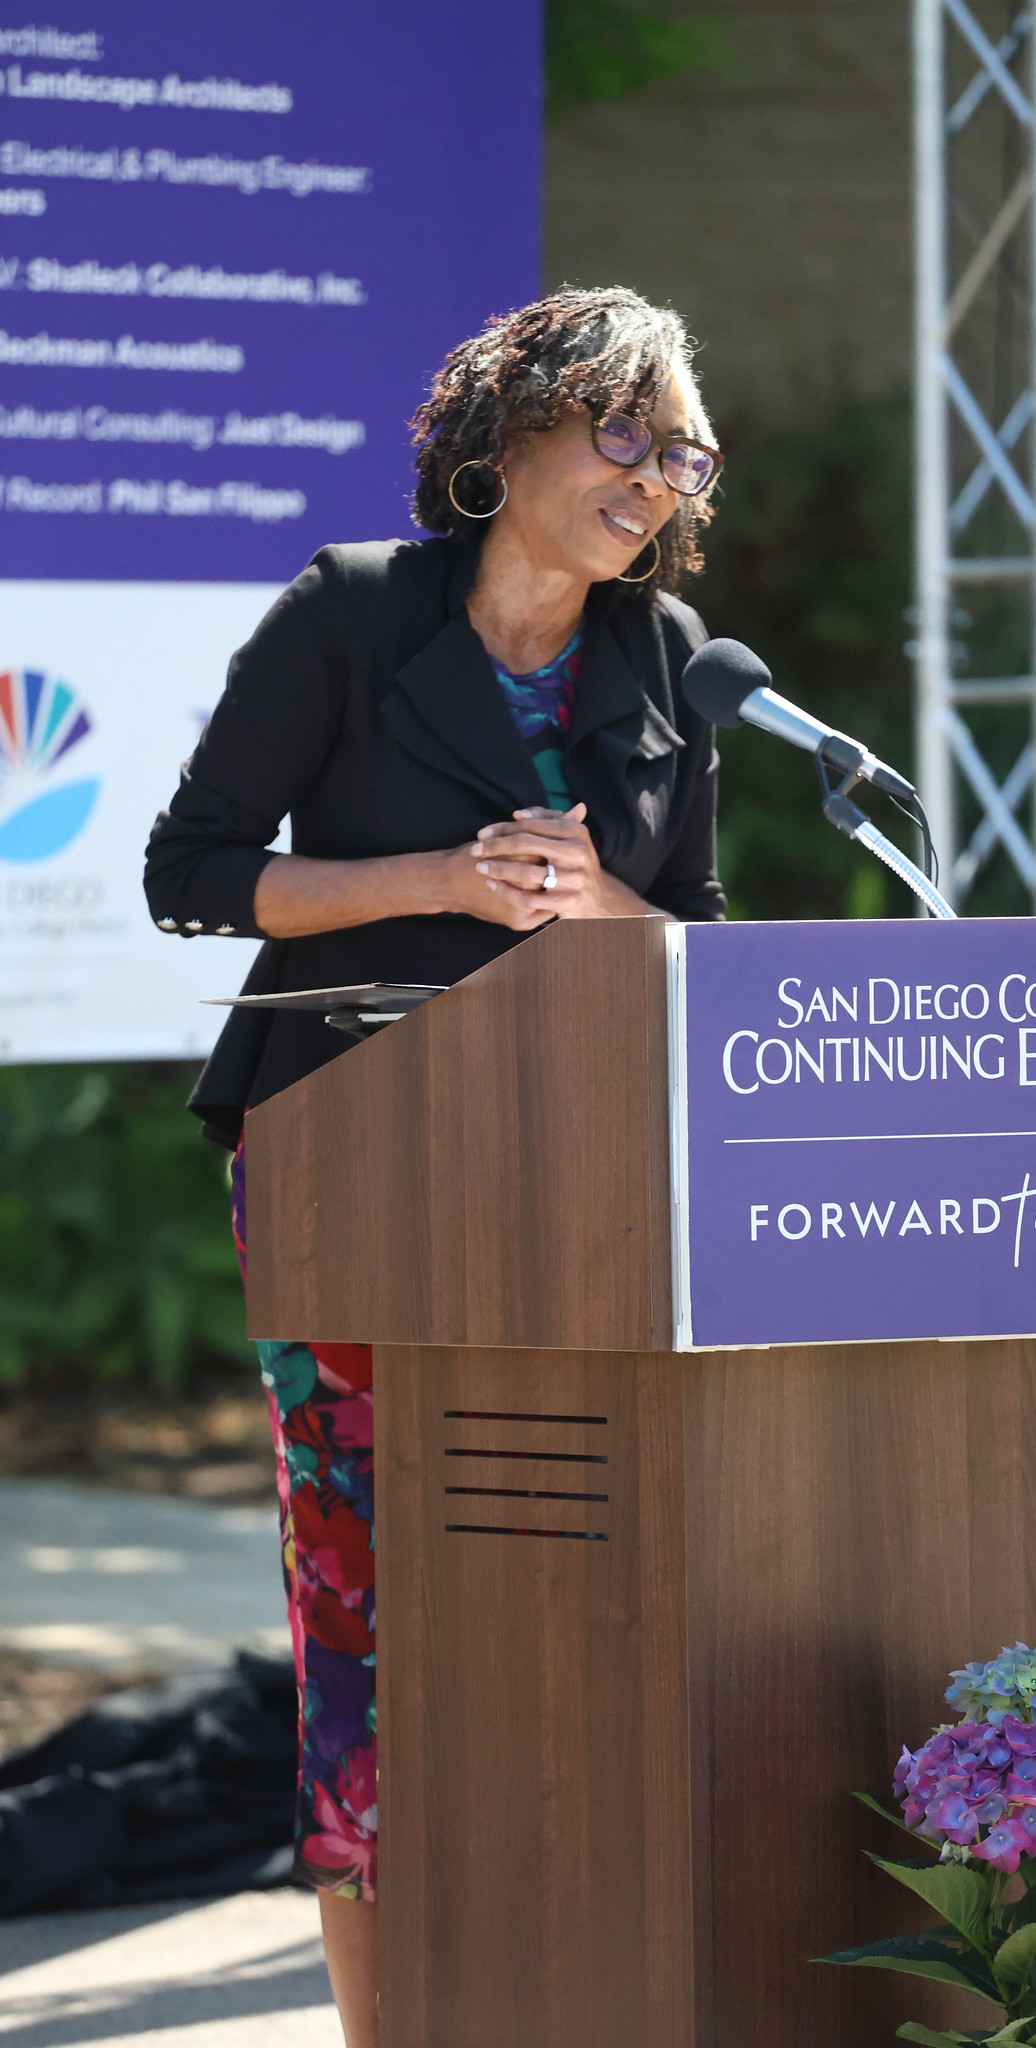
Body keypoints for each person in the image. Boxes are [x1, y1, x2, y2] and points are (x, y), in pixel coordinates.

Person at [143, 285, 726, 2048]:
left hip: (585, 1176)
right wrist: (448, 882)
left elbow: (687, 936)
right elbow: (199, 867)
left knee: (579, 1591)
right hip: (351, 1153)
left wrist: (593, 907)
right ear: (509, 439)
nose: (654, 477)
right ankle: (384, 2025)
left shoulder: (675, 662)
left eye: (681, 447)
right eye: (621, 430)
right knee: (373, 1595)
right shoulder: (350, 613)